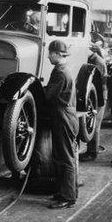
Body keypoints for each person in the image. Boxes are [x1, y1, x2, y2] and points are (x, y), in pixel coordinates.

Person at [44, 40, 79, 209]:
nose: (48, 56)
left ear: (58, 54)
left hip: (63, 119)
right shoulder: (63, 69)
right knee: (62, 157)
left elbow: (49, 96)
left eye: (50, 53)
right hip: (65, 118)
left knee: (65, 159)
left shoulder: (59, 72)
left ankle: (68, 198)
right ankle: (64, 192)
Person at [80, 42, 108, 162]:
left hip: (99, 97)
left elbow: (100, 83)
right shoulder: (95, 60)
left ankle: (92, 153)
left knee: (94, 125)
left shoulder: (98, 62)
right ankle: (92, 150)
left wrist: (96, 101)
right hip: (96, 96)